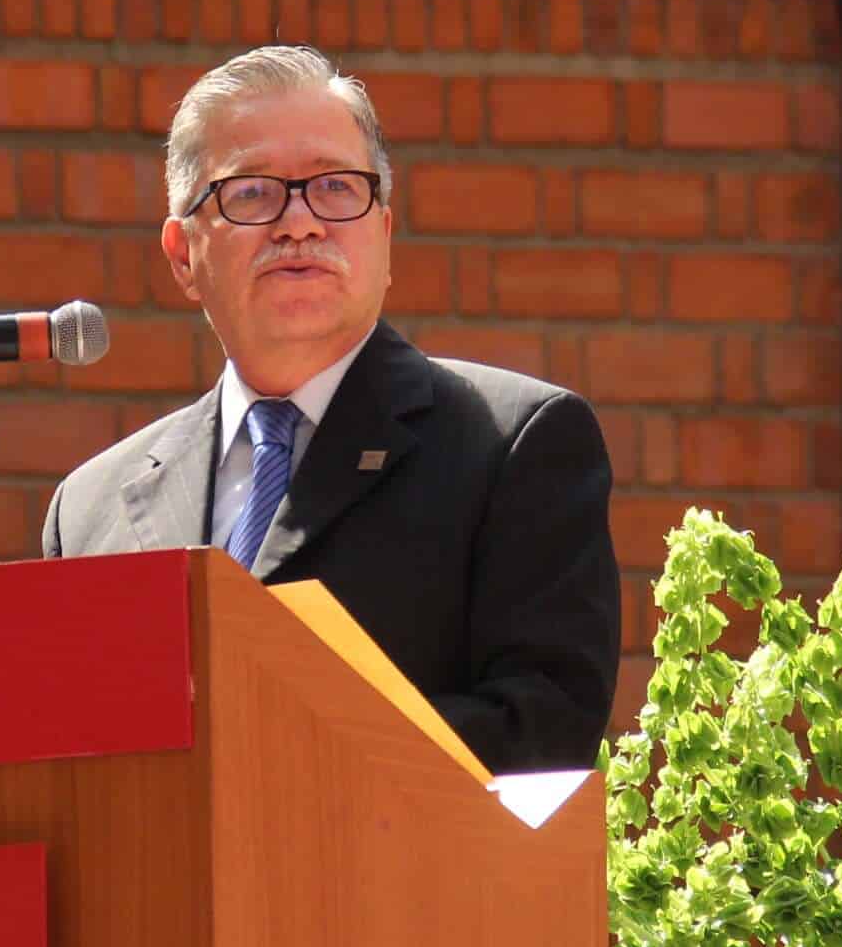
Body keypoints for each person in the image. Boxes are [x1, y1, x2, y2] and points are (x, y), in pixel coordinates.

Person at [40, 44, 618, 773]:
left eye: (337, 188)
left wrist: (282, 756)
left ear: (383, 228)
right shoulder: (88, 508)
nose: (301, 223)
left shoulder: (510, 444)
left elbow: (543, 730)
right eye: (250, 194)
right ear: (183, 254)